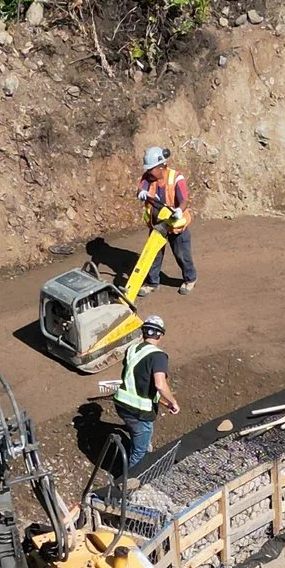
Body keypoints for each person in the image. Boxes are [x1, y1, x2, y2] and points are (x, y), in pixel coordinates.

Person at [111, 316, 180, 470]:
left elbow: (139, 379)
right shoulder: (158, 356)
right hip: (139, 412)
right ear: (160, 335)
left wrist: (163, 402)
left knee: (139, 434)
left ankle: (142, 443)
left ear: (143, 332)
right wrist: (173, 401)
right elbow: (159, 384)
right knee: (139, 453)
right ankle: (133, 480)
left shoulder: (132, 349)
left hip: (122, 404)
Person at [135, 145, 197, 296]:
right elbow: (141, 188)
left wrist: (179, 210)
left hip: (175, 225)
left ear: (160, 167)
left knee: (182, 254)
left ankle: (190, 279)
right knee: (153, 254)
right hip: (157, 224)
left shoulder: (176, 178)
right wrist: (141, 192)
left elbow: (184, 200)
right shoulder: (148, 178)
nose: (148, 172)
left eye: (151, 169)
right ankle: (152, 283)